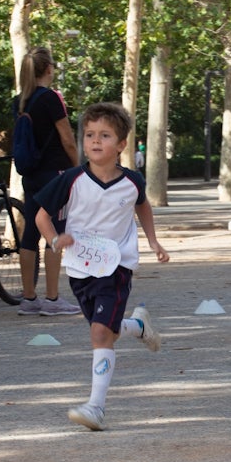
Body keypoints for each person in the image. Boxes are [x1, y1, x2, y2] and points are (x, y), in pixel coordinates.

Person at [33, 102, 169, 431]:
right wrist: (54, 240)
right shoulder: (70, 179)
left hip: (117, 267)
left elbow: (143, 207)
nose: (95, 141)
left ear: (121, 145)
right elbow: (41, 217)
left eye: (105, 135)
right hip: (81, 270)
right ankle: (138, 326)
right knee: (106, 329)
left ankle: (96, 407)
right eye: (90, 135)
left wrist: (152, 241)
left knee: (99, 333)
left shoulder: (132, 181)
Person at [14, 47, 82, 316]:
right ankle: (52, 299)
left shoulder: (20, 100)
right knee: (53, 231)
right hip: (55, 175)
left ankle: (29, 298)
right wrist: (77, 168)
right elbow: (66, 138)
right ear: (49, 69)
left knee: (30, 234)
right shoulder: (51, 99)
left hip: (30, 174)